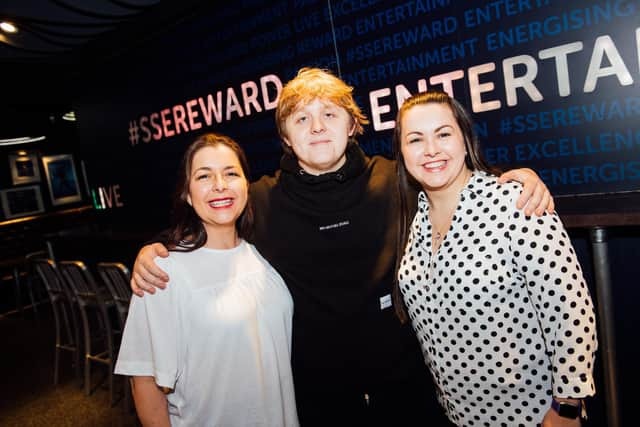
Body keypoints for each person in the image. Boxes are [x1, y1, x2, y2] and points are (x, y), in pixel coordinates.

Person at [130, 68, 554, 426]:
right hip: (318, 397)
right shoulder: (259, 198)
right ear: (285, 137)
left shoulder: (397, 180)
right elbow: (210, 219)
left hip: (407, 386)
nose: (317, 127)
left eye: (329, 115)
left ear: (352, 125)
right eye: (301, 119)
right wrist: (152, 250)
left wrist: (517, 178)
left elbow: (452, 178)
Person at [393, 91, 597, 427]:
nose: (431, 149)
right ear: (401, 153)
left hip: (532, 416)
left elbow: (571, 309)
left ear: (464, 139)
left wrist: (567, 407)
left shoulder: (514, 202)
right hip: (459, 416)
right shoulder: (414, 220)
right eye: (415, 139)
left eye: (443, 134)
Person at [114, 133, 299, 427]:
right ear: (187, 194)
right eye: (204, 176)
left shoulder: (261, 255)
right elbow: (145, 382)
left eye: (230, 173)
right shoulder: (163, 271)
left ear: (246, 186)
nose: (220, 185)